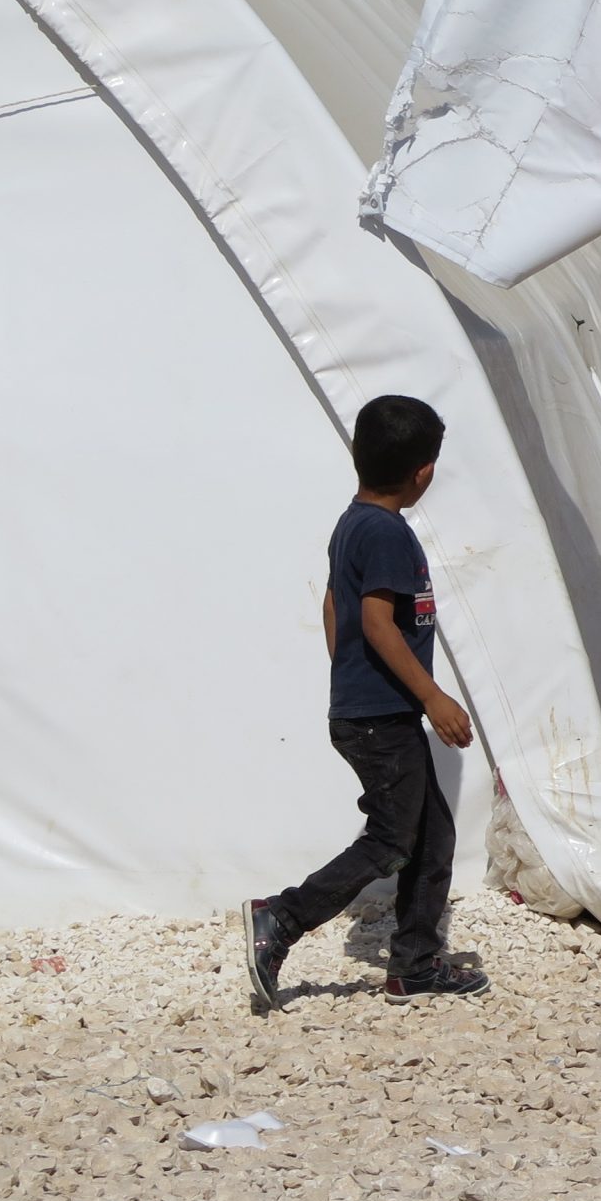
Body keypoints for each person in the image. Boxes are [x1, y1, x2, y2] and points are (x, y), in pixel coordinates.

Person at [241, 395, 489, 1011]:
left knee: (431, 836)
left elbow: (333, 604)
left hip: (371, 708)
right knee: (390, 841)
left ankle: (415, 966)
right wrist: (431, 696)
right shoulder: (384, 533)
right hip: (383, 717)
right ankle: (283, 917)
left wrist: (348, 672)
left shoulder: (353, 521)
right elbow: (377, 622)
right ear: (423, 471)